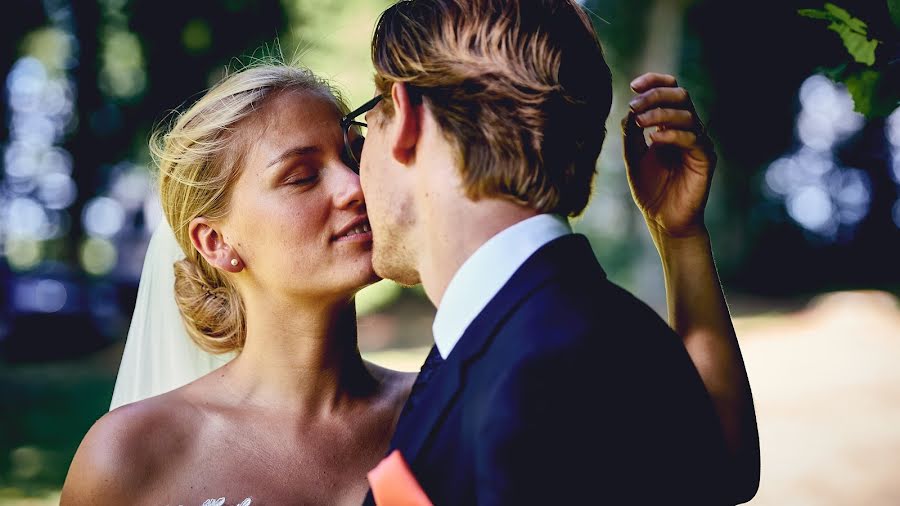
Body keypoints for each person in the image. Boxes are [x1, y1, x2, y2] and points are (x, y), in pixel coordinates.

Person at [356, 0, 758, 504]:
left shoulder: (544, 374)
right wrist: (680, 237)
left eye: (366, 124)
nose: (356, 175)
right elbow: (722, 466)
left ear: (408, 117)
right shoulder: (538, 328)